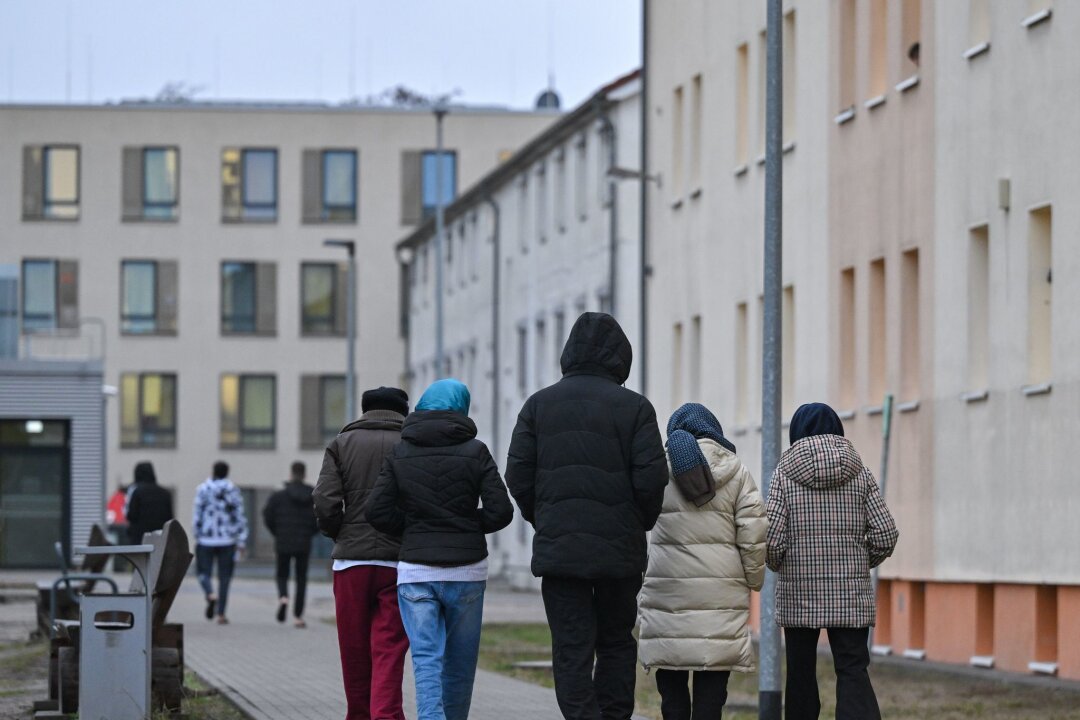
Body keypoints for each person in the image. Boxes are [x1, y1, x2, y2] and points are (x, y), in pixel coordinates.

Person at [506, 312, 668, 720]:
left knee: (571, 647)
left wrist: (545, 519)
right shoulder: (635, 408)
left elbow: (517, 476)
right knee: (616, 642)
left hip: (562, 553)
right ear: (620, 357)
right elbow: (652, 479)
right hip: (619, 552)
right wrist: (636, 523)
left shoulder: (538, 406)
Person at [367, 379, 513, 720]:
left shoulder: (401, 451)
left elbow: (376, 511)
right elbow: (501, 511)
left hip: (416, 571)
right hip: (467, 570)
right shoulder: (476, 451)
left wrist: (413, 527)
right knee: (460, 663)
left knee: (426, 659)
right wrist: (466, 522)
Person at [765, 403, 899, 720]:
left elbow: (770, 539)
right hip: (850, 593)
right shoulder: (861, 474)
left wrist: (780, 564)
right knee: (853, 667)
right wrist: (858, 562)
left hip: (799, 590)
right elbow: (886, 533)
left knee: (800, 672)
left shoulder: (783, 475)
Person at [638, 403, 767, 720]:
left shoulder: (657, 470)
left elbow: (637, 522)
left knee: (671, 689)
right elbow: (753, 531)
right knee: (712, 691)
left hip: (667, 591)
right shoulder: (737, 472)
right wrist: (753, 580)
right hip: (721, 593)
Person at [313, 386, 412, 720]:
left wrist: (339, 531)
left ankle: (358, 715)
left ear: (364, 410)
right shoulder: (412, 443)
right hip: (399, 562)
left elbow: (326, 500)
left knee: (354, 650)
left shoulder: (341, 443)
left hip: (351, 562)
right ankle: (387, 715)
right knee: (389, 649)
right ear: (404, 411)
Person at [263, 461, 319, 628]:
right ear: (304, 474)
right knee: (301, 578)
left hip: (283, 541)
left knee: (282, 574)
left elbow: (267, 516)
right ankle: (298, 616)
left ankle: (283, 597)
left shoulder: (279, 496)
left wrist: (277, 532)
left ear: (291, 474)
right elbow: (320, 518)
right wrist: (310, 533)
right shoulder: (312, 495)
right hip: (303, 542)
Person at [193, 460, 248, 625]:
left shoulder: (202, 489)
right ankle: (221, 614)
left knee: (203, 572)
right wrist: (242, 539)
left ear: (213, 471)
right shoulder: (232, 490)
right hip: (228, 539)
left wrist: (197, 534)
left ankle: (210, 593)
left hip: (206, 538)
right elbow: (239, 515)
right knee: (225, 577)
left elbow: (197, 513)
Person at [125, 462, 174, 545]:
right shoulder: (165, 493)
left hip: (140, 539)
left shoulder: (137, 492)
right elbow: (170, 518)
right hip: (160, 539)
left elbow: (131, 515)